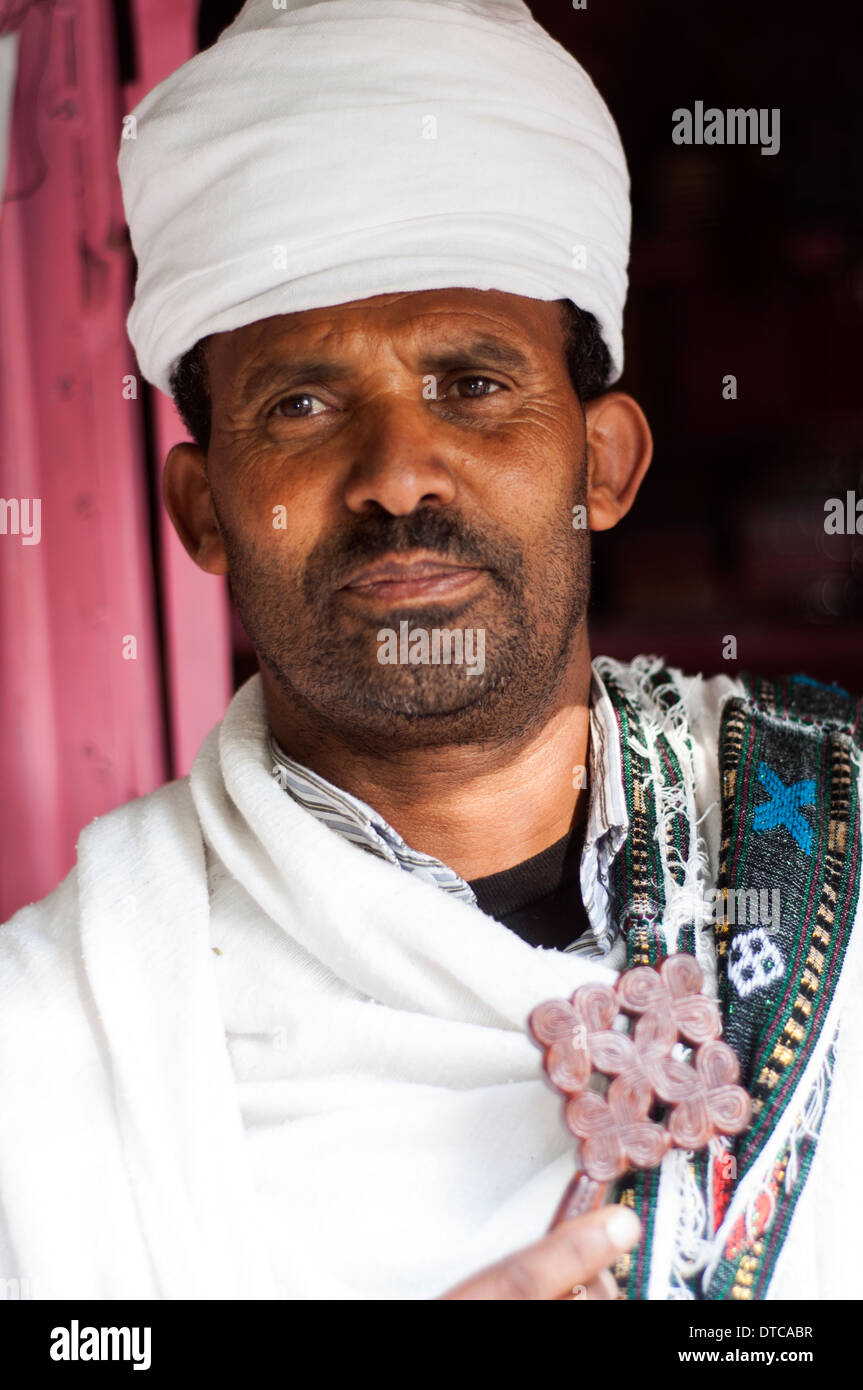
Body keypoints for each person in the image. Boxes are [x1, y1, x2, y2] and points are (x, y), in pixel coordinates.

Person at [0, 0, 860, 1301]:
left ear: (604, 463)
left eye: (471, 383)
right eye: (302, 402)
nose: (399, 474)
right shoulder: (52, 1043)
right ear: (203, 513)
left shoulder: (836, 865)